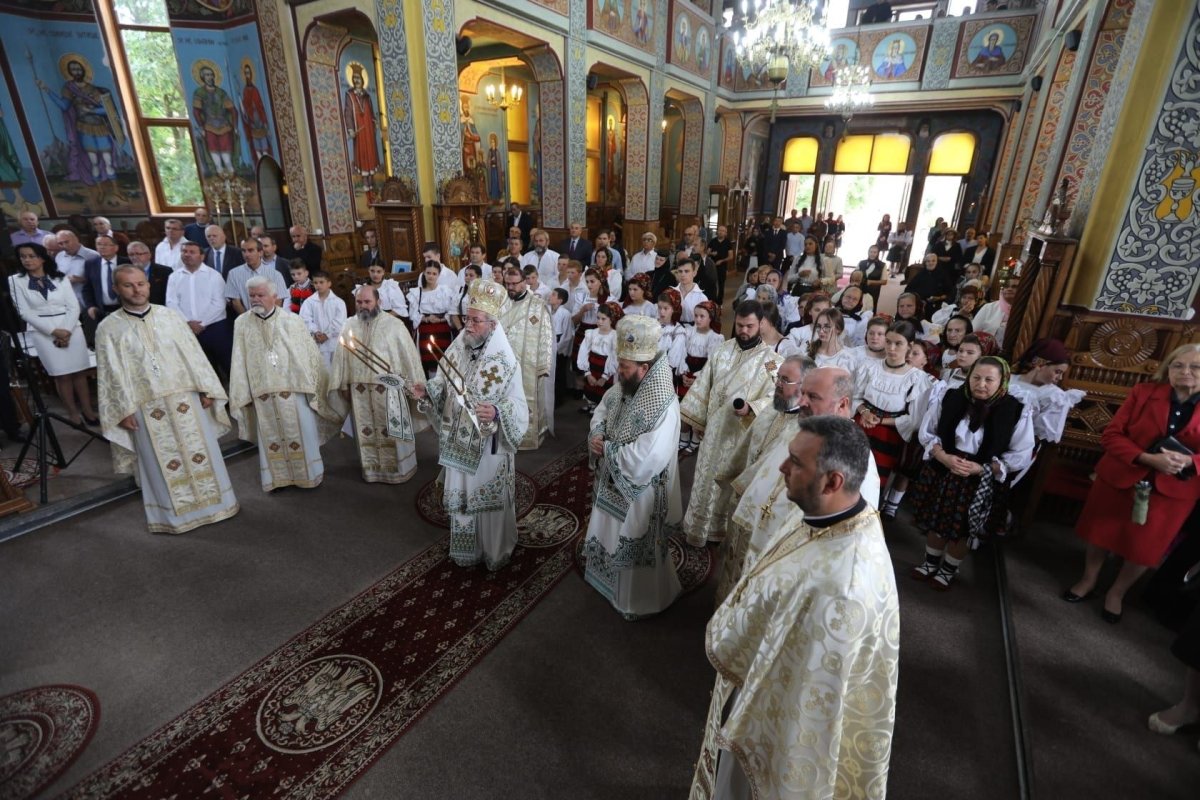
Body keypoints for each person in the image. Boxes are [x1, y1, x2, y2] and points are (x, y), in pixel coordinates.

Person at [691, 415, 899, 800]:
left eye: (795, 462)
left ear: (832, 481)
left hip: (770, 719)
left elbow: (805, 704)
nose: (782, 468)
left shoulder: (841, 591)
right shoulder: (830, 515)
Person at [96, 265, 239, 533]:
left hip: (185, 399)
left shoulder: (170, 317)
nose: (136, 290)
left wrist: (205, 388)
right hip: (143, 407)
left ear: (149, 285)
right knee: (160, 463)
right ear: (117, 289)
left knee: (201, 453)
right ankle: (173, 517)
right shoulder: (108, 328)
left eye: (141, 283)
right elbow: (109, 374)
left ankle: (217, 506)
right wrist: (121, 409)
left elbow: (193, 355)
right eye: (128, 285)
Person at [720, 365, 882, 602]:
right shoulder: (804, 428)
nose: (802, 401)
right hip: (760, 538)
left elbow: (851, 540)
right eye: (802, 393)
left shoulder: (854, 460)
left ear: (843, 404)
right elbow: (768, 470)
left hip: (794, 567)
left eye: (813, 396)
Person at [1064, 344, 1200, 623]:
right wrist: (1147, 458)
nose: (1185, 371)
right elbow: (1112, 435)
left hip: (1175, 488)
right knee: (1101, 531)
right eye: (1178, 365)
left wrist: (1189, 462)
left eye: (1196, 367)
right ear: (1168, 369)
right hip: (1124, 472)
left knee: (1145, 545)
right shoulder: (1144, 393)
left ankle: (1117, 593)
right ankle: (1088, 580)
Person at [412, 279, 528, 570]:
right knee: (463, 498)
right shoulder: (459, 346)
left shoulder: (504, 360)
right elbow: (442, 383)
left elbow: (518, 405)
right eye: (467, 318)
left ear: (491, 324)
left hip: (487, 446)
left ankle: (494, 550)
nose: (468, 325)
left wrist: (498, 412)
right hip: (457, 442)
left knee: (485, 498)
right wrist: (428, 390)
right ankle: (467, 551)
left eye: (476, 321)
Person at [583, 314, 683, 619]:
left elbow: (649, 457)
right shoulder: (625, 385)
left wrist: (609, 450)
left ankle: (638, 601)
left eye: (624, 367)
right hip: (612, 481)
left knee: (636, 541)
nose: (618, 371)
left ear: (645, 368)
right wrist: (597, 433)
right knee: (608, 532)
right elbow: (603, 408)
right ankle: (606, 583)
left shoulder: (663, 403)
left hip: (639, 491)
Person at [910, 356, 1035, 589]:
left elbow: (1021, 452)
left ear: (1002, 382)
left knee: (963, 528)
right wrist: (943, 456)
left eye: (989, 379)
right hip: (945, 469)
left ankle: (947, 571)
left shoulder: (1015, 410)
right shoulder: (951, 397)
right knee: (937, 520)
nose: (981, 384)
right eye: (976, 377)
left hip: (980, 478)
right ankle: (929, 563)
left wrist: (985, 468)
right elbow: (928, 430)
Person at [680, 300, 778, 546]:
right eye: (740, 325)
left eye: (750, 326)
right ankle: (697, 528)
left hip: (740, 437)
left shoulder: (772, 361)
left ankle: (718, 532)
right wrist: (698, 421)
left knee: (725, 485)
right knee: (704, 481)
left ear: (761, 324)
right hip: (713, 431)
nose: (744, 330)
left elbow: (774, 399)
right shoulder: (722, 350)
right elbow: (705, 384)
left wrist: (751, 408)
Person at [714, 355, 812, 601]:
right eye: (778, 377)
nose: (778, 384)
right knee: (731, 558)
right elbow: (745, 450)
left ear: (804, 386)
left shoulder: (805, 429)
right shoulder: (769, 411)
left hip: (767, 512)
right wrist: (729, 474)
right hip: (742, 499)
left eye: (786, 380)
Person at [229, 277, 338, 492]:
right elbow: (238, 358)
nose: (255, 299)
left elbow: (308, 356)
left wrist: (315, 385)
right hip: (262, 392)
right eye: (252, 296)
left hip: (293, 390)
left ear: (274, 297)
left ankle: (309, 474)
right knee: (271, 437)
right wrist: (244, 391)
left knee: (301, 432)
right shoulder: (241, 322)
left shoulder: (291, 321)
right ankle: (277, 479)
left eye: (260, 295)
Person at [329, 286, 427, 483]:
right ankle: (372, 471)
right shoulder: (349, 325)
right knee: (367, 433)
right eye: (359, 302)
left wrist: (414, 387)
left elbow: (408, 358)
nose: (363, 306)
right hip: (360, 393)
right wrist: (344, 385)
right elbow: (342, 358)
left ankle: (400, 470)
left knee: (393, 432)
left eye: (367, 302)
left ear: (378, 302)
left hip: (390, 391)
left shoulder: (394, 325)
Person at [10, 242, 97, 425]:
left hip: (71, 328)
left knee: (80, 373)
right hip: (42, 332)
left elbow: (73, 306)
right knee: (62, 374)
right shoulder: (15, 280)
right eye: (23, 256)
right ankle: (73, 413)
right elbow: (24, 312)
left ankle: (88, 411)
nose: (27, 260)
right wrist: (53, 331)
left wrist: (65, 330)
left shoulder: (59, 278)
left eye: (31, 256)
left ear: (42, 258)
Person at [854, 321, 931, 487]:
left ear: (909, 346)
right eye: (888, 342)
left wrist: (880, 421)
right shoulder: (870, 367)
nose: (891, 348)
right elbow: (855, 397)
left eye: (898, 343)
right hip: (861, 426)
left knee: (872, 482)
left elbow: (914, 419)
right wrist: (864, 412)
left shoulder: (917, 379)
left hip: (888, 436)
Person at [499, 265, 554, 449]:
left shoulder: (537, 306)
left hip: (527, 365)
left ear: (524, 282)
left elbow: (547, 337)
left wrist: (544, 366)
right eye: (507, 284)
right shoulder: (500, 303)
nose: (511, 288)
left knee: (526, 399)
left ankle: (527, 436)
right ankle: (504, 433)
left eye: (514, 284)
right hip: (502, 363)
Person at [166, 241, 232, 377]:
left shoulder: (214, 275)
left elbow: (219, 303)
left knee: (228, 364)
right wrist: (187, 323)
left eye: (192, 252)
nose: (187, 255)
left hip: (215, 327)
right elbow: (171, 303)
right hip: (186, 328)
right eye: (184, 251)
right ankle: (214, 397)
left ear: (202, 256)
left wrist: (200, 324)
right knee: (202, 369)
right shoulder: (174, 277)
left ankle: (238, 396)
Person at [675, 301, 724, 452]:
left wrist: (696, 378)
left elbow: (711, 361)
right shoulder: (688, 331)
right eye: (696, 315)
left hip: (701, 375)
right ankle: (683, 436)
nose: (698, 319)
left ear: (711, 318)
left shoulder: (715, 337)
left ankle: (695, 438)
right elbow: (682, 353)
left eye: (702, 316)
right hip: (687, 371)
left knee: (696, 410)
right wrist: (683, 372)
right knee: (683, 408)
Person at [407, 262, 457, 378]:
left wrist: (440, 320)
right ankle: (431, 388)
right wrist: (426, 318)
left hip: (443, 330)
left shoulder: (445, 291)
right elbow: (412, 315)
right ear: (424, 274)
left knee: (444, 360)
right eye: (428, 273)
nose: (431, 276)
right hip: (425, 331)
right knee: (428, 361)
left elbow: (452, 311)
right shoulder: (417, 293)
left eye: (434, 273)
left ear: (438, 275)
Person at [577, 302, 621, 414]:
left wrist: (605, 376)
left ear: (611, 319)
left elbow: (614, 357)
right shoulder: (591, 333)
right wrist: (587, 373)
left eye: (603, 319)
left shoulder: (614, 336)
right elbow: (584, 351)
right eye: (598, 318)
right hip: (592, 367)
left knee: (603, 389)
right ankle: (591, 404)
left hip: (605, 368)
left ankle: (601, 408)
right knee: (590, 387)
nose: (599, 321)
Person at [224, 237, 286, 315]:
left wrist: (268, 317)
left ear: (260, 252)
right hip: (246, 320)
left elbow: (279, 300)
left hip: (271, 319)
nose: (246, 254)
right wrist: (249, 319)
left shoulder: (275, 274)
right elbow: (236, 302)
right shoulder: (233, 274)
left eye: (250, 250)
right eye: (243, 251)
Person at [299, 270, 346, 366]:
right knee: (323, 372)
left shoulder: (338, 302)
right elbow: (305, 319)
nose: (318, 285)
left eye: (321, 282)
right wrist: (315, 331)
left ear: (329, 283)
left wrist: (327, 335)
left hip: (334, 343)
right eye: (315, 283)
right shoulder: (309, 302)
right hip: (317, 343)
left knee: (336, 371)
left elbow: (340, 322)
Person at [82, 234, 127, 321]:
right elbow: (87, 288)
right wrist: (90, 306)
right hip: (102, 310)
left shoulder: (126, 262)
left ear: (116, 248)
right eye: (99, 244)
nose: (102, 247)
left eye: (105, 244)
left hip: (124, 308)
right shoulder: (91, 264)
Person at [807, 307, 858, 371]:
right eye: (818, 326)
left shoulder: (847, 359)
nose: (821, 331)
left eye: (827, 326)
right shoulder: (808, 350)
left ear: (838, 329)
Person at [124, 241, 172, 306]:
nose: (134, 257)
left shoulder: (165, 272)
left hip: (159, 310)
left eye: (138, 254)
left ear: (149, 255)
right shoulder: (125, 272)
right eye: (131, 254)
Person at [973, 277, 1018, 347]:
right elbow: (974, 331)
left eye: (1014, 287)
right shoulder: (989, 307)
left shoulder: (1024, 311)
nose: (1009, 289)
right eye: (1006, 286)